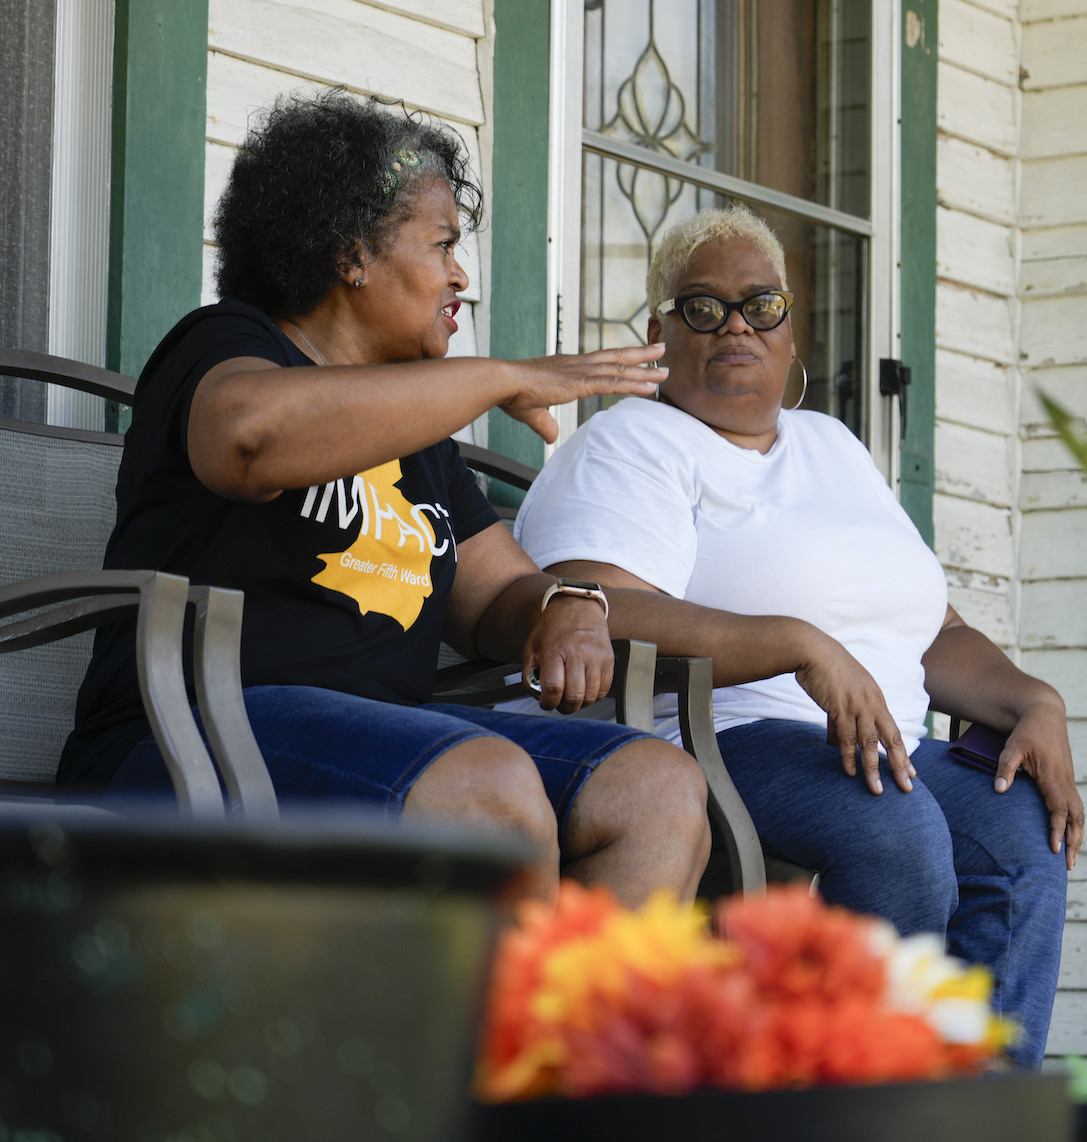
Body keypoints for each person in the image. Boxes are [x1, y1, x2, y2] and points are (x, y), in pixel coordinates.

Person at [59, 91, 711, 906]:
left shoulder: (415, 424)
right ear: (351, 254)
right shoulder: (227, 344)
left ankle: (576, 1032)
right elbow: (247, 441)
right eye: (441, 245)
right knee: (487, 786)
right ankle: (471, 1035)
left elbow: (497, 592)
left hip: (389, 748)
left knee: (655, 788)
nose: (460, 274)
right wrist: (503, 376)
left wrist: (569, 605)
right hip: (191, 733)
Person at [512, 206, 1086, 1066]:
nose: (737, 325)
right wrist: (795, 642)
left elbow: (931, 631)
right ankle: (851, 1093)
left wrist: (1034, 701)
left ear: (789, 329)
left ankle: (976, 1106)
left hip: (883, 741)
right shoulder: (633, 442)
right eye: (703, 307)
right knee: (893, 824)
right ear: (657, 332)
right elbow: (595, 610)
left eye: (762, 305)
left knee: (1018, 827)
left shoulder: (833, 446)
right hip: (721, 735)